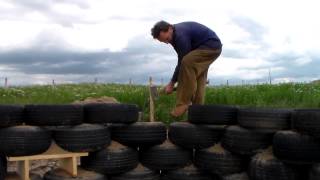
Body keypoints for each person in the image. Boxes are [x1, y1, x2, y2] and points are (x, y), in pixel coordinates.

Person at [151, 21, 222, 117]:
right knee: (198, 77)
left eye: (167, 39)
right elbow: (182, 62)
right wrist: (174, 82)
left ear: (170, 28)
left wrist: (172, 83)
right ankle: (197, 113)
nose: (167, 42)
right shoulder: (173, 36)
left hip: (210, 46)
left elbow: (182, 61)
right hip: (207, 48)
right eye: (164, 42)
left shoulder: (180, 35)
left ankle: (183, 103)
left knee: (187, 62)